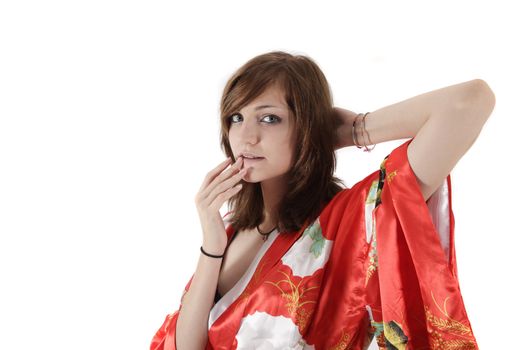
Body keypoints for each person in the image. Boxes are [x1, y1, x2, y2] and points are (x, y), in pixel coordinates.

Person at [150, 51, 495, 349]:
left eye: (270, 118)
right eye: (236, 118)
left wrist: (354, 129)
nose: (246, 136)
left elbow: (469, 101)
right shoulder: (229, 228)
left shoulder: (346, 222)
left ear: (308, 126)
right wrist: (210, 245)